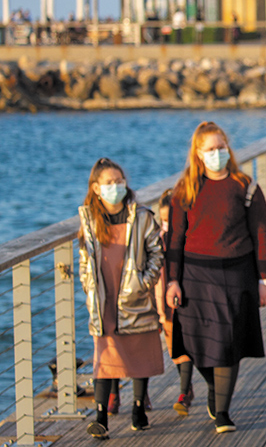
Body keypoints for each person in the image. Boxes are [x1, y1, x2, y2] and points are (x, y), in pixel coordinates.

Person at [166, 122, 266, 433]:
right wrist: (173, 280)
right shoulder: (184, 190)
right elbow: (175, 239)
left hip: (237, 272)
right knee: (196, 342)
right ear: (198, 154)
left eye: (221, 148)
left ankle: (223, 411)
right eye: (211, 150)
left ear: (229, 149)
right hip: (195, 275)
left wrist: (265, 279)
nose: (217, 154)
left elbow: (262, 234)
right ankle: (214, 389)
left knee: (229, 342)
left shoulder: (246, 186)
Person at [78, 158, 164, 438]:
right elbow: (84, 261)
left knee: (139, 349)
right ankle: (100, 418)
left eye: (119, 181)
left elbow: (156, 253)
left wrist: (143, 282)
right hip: (104, 298)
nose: (116, 187)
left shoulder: (141, 217)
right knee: (104, 357)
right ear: (96, 187)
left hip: (134, 294)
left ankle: (138, 409)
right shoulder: (90, 221)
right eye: (109, 182)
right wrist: (90, 288)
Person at [154, 189, 195, 416]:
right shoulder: (156, 240)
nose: (167, 225)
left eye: (171, 220)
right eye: (163, 220)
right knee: (174, 350)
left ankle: (184, 392)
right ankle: (186, 388)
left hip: (186, 299)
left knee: (186, 346)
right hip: (164, 306)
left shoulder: (186, 239)